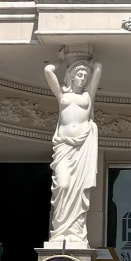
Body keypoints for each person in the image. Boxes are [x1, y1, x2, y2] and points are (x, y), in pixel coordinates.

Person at [44, 59, 102, 246]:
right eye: (79, 74)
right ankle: (60, 231)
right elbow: (47, 70)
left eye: (86, 75)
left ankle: (75, 232)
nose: (83, 78)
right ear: (71, 75)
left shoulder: (88, 97)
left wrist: (94, 65)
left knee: (78, 189)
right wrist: (60, 61)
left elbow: (99, 69)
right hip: (64, 146)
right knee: (63, 185)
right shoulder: (62, 95)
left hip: (82, 144)